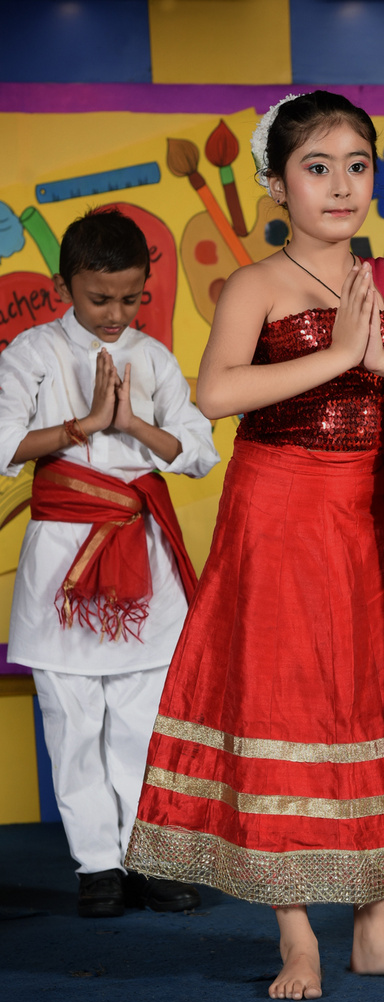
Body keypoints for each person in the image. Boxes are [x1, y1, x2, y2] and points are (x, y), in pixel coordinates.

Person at [125, 90, 384, 999]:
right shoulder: (258, 283)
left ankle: (376, 931)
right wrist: (337, 357)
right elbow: (216, 394)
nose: (341, 185)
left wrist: (376, 357)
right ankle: (296, 935)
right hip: (278, 514)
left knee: (373, 704)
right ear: (274, 184)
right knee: (284, 702)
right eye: (317, 166)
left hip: (370, 523)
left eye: (357, 165)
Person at [0, 209, 220, 917]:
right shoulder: (30, 353)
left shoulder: (152, 359)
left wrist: (129, 424)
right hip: (64, 561)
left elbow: (198, 451)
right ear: (68, 285)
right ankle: (97, 865)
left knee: (140, 721)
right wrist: (83, 428)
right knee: (73, 720)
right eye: (100, 299)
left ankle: (146, 856)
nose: (115, 313)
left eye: (131, 298)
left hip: (142, 559)